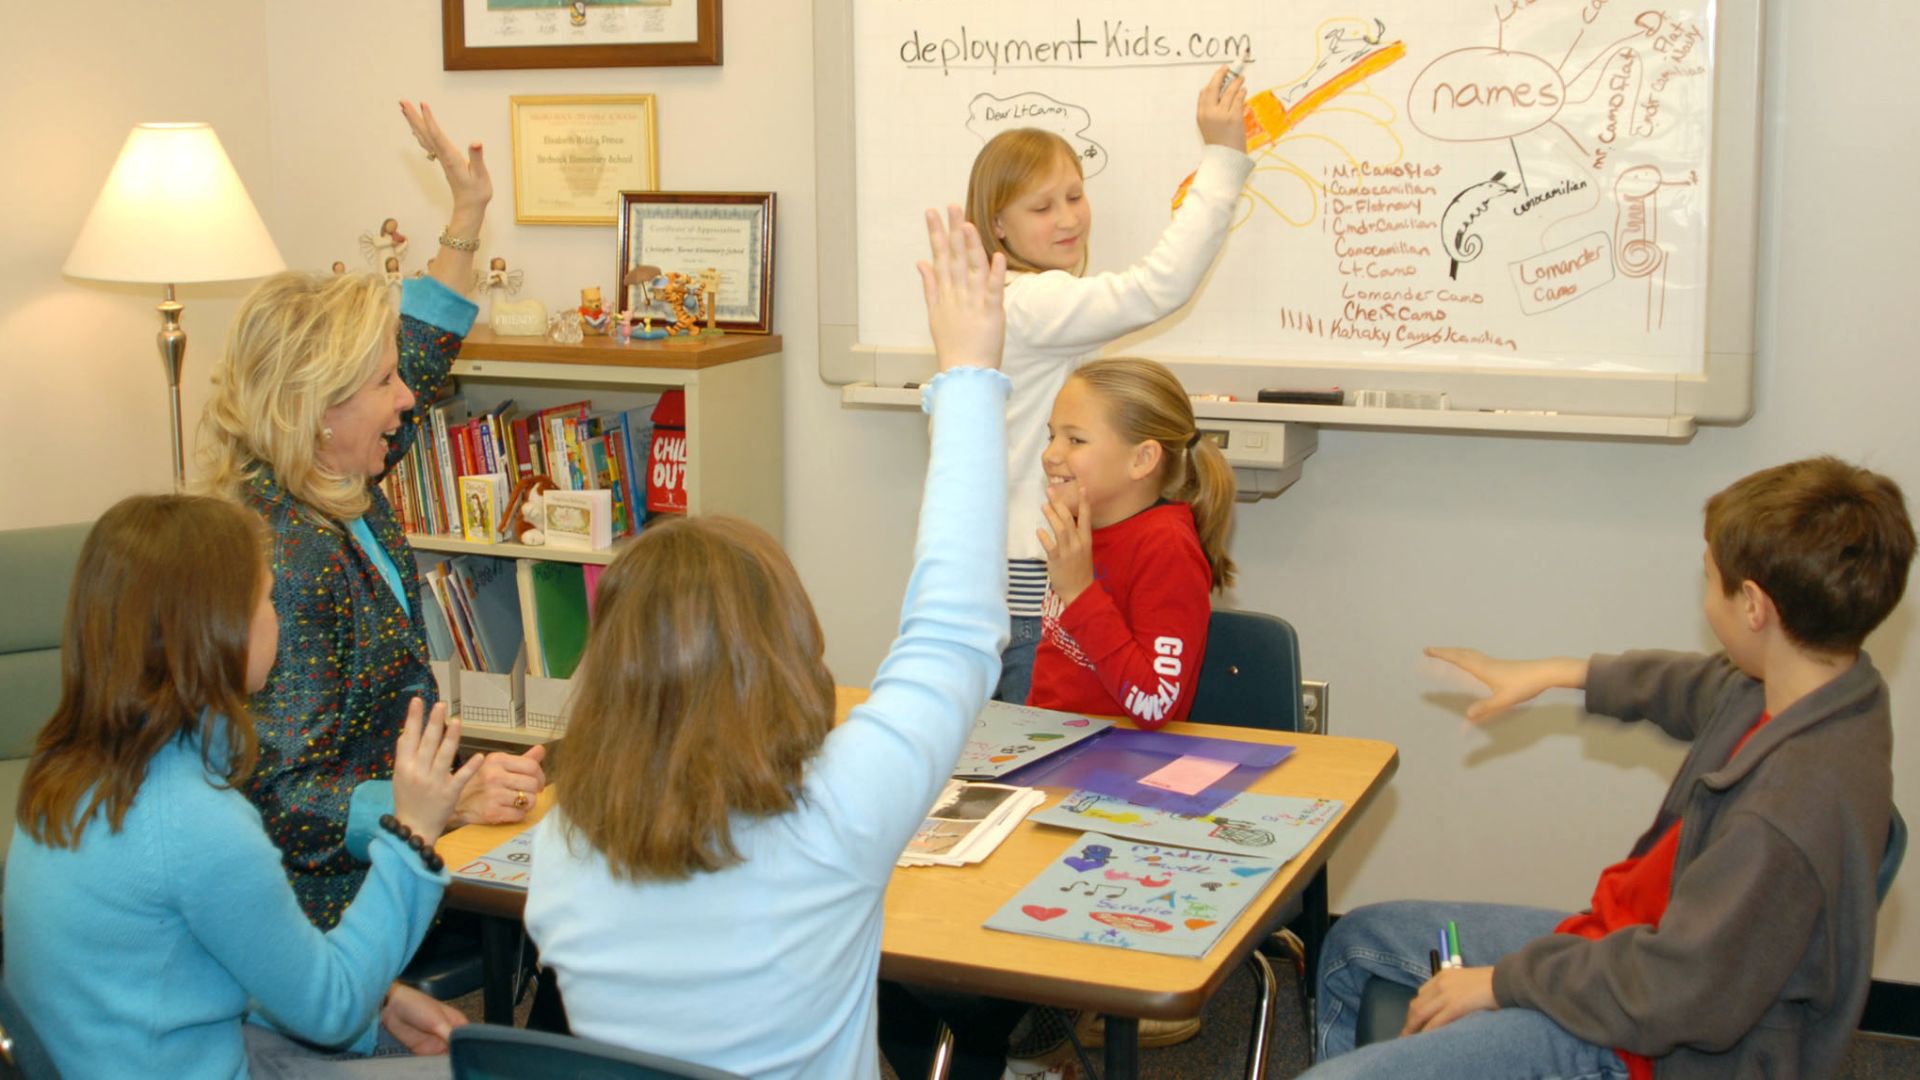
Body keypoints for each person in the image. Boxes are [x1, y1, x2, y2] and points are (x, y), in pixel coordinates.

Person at [525, 206, 1009, 1079]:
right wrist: (970, 376)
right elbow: (957, 631)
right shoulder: (838, 814)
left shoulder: (562, 849)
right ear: (785, 651)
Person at [1307, 456, 1915, 1079]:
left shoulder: (1787, 814)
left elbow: (1677, 990)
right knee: (1358, 945)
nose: (1706, 600)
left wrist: (1501, 983)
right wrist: (1552, 674)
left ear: (1754, 606)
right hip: (1626, 953)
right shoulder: (1819, 690)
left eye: (1710, 580)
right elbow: (1692, 685)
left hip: (1651, 1045)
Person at [196, 101, 546, 931]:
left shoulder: (336, 477)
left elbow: (419, 344)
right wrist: (449, 801)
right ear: (320, 408)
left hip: (404, 829)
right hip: (331, 908)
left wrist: (467, 214)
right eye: (386, 384)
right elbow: (283, 797)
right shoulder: (285, 557)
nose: (408, 397)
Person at [3, 494, 483, 1078]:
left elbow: (184, 966)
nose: (276, 615)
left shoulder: (65, 770)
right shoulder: (196, 820)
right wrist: (412, 834)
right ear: (219, 629)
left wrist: (376, 1003)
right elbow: (330, 1008)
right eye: (266, 598)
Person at [966, 66, 1251, 706]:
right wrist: (1224, 158)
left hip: (1014, 569)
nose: (1068, 219)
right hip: (1030, 573)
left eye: (1075, 195)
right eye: (1042, 207)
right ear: (998, 226)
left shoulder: (994, 301)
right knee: (1033, 755)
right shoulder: (1034, 301)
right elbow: (1161, 286)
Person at [1028, 357, 1237, 729]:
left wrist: (1079, 593)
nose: (1050, 454)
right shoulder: (1080, 528)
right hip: (1057, 747)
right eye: (1052, 435)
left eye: (1075, 439)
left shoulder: (1166, 547)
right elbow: (1054, 688)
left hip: (1124, 764)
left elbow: (1155, 705)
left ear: (1142, 459)